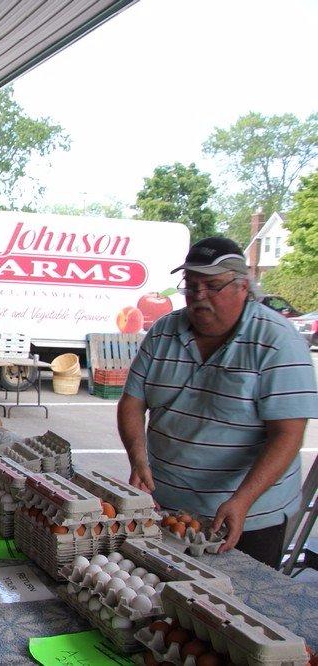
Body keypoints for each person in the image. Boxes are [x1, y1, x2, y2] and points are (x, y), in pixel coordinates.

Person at [118, 237, 317, 568]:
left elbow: (288, 434)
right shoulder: (164, 332)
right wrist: (138, 460)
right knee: (165, 603)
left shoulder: (277, 341)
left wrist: (242, 501)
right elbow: (132, 401)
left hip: (246, 517)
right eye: (191, 285)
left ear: (243, 287)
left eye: (211, 285)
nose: (198, 296)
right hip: (167, 507)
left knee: (237, 609)